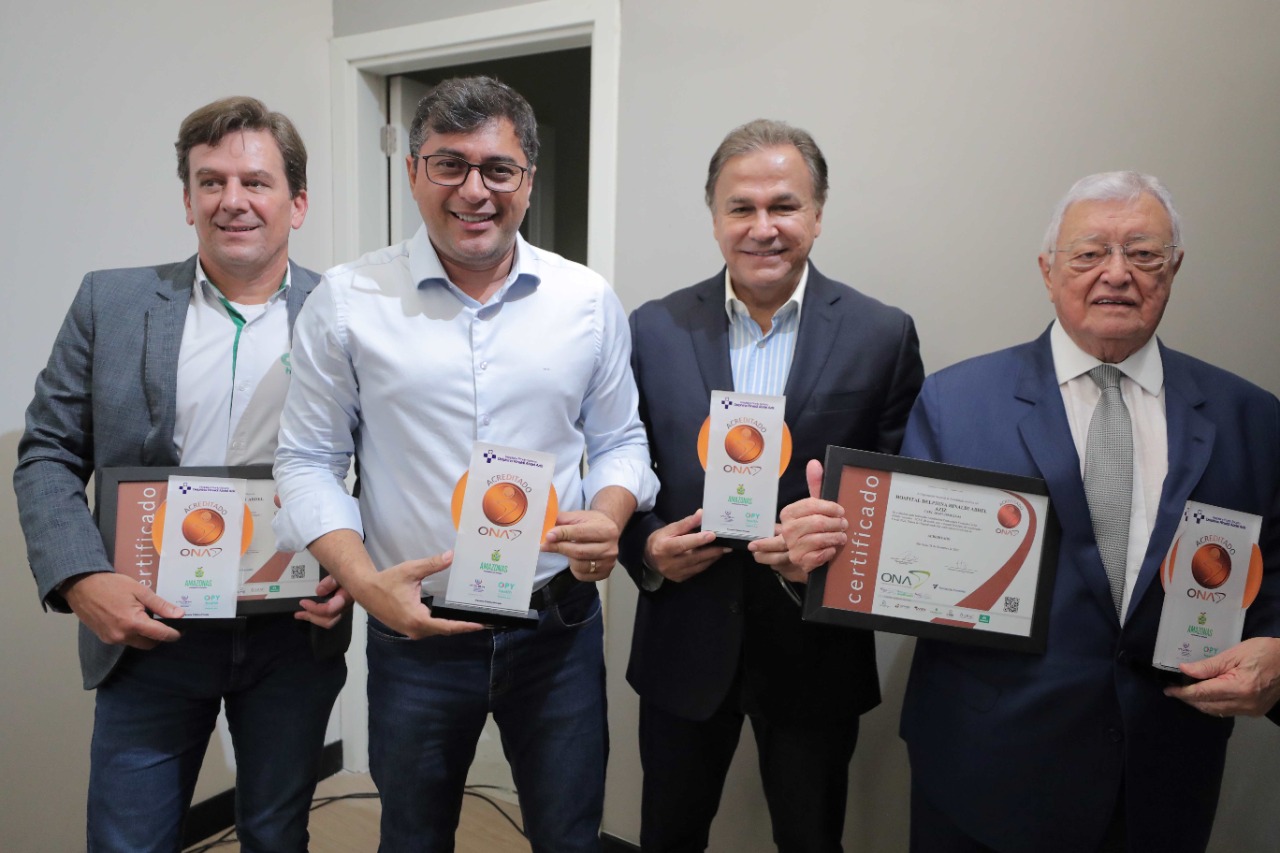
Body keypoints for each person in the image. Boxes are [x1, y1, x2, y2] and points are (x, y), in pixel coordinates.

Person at [781, 171, 1280, 852]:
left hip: (1163, 780)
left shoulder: (1250, 417)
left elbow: (1273, 574)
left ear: (1174, 268)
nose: (1117, 273)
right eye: (1089, 253)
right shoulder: (956, 402)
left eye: (1143, 253)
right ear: (1048, 271)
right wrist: (822, 557)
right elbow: (903, 571)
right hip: (984, 774)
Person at [272, 75, 657, 853]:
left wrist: (610, 515)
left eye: (498, 169)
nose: (474, 190)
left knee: (569, 834)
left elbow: (622, 439)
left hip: (556, 623)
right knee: (413, 836)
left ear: (528, 180)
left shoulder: (585, 300)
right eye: (449, 164)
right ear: (414, 172)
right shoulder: (347, 301)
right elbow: (307, 460)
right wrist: (364, 584)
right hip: (415, 627)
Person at [14, 96, 349, 852]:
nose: (233, 200)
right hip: (149, 629)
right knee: (127, 839)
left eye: (255, 182)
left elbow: (380, 461)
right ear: (188, 199)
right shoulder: (111, 301)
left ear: (297, 203)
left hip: (292, 628)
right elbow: (47, 452)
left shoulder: (347, 313)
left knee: (277, 834)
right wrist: (79, 577)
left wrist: (356, 567)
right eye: (211, 181)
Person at [619, 119, 923, 852]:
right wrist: (646, 549)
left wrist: (832, 555)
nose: (764, 228)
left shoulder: (882, 334)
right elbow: (620, 463)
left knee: (811, 840)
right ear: (715, 217)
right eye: (742, 208)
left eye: (784, 206)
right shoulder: (652, 329)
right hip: (685, 641)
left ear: (816, 214)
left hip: (815, 653)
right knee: (667, 836)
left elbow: (903, 499)